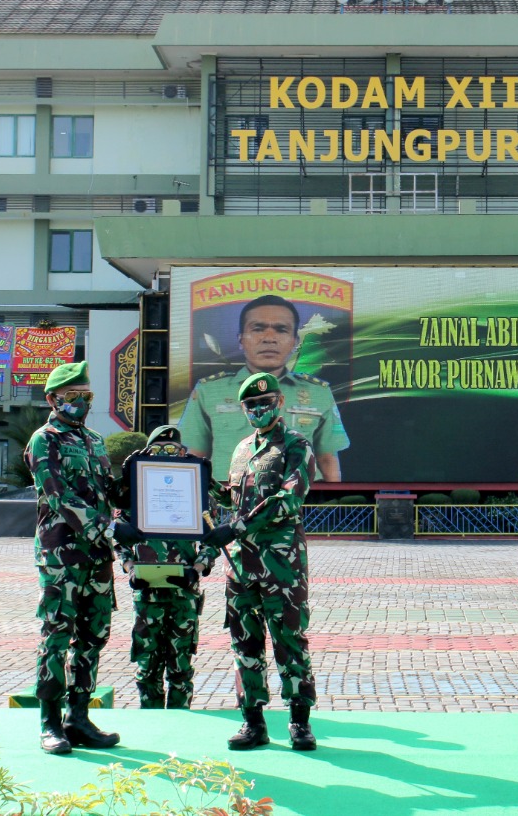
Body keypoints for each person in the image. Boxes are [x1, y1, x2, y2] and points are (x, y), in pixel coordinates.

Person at [200, 371, 318, 751]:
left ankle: (299, 721)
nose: (258, 410)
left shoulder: (295, 446)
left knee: (289, 640)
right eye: (251, 405)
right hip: (240, 566)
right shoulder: (240, 450)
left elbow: (287, 500)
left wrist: (235, 528)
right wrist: (201, 483)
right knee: (244, 643)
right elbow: (235, 502)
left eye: (264, 403)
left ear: (279, 403)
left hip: (280, 564)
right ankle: (253, 722)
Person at [24, 361, 120, 755]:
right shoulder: (44, 440)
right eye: (73, 397)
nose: (81, 404)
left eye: (87, 397)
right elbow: (60, 496)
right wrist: (108, 529)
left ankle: (78, 717)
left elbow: (108, 492)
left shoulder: (96, 441)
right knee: (57, 635)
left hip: (97, 557)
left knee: (93, 636)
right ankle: (49, 722)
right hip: (61, 554)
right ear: (53, 399)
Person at [179, 294, 349, 481]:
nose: (269, 338)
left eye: (281, 330)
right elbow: (195, 456)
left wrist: (332, 503)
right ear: (241, 339)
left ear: (295, 342)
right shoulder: (209, 391)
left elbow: (327, 459)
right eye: (258, 329)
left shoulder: (318, 392)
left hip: (299, 502)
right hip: (231, 503)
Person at [111, 425, 219, 710]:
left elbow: (213, 539)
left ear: (182, 452)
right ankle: (151, 722)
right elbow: (118, 537)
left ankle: (180, 725)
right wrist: (129, 566)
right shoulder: (135, 495)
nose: (166, 455)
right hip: (147, 596)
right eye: (158, 450)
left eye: (172, 450)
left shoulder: (197, 494)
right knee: (147, 669)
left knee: (181, 669)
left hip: (184, 593)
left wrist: (197, 568)